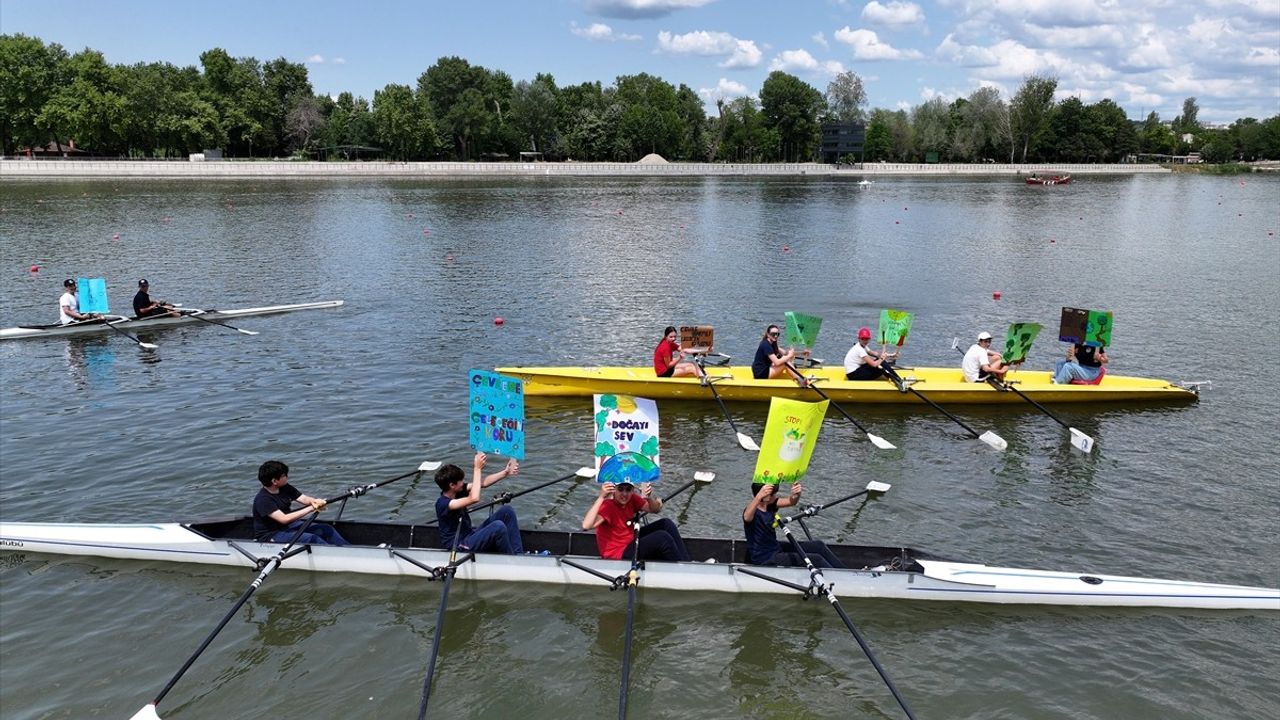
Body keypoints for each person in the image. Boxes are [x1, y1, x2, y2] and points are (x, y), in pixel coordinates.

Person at [434, 452, 526, 554]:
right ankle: (509, 560)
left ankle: (518, 555)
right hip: (459, 545)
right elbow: (474, 498)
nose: (463, 482)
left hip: (469, 535)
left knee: (507, 511)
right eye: (461, 480)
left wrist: (505, 472)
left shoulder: (457, 491)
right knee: (498, 526)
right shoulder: (443, 504)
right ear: (452, 485)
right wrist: (477, 468)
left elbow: (483, 483)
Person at [582, 480, 690, 562]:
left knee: (666, 524)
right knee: (662, 537)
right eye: (620, 489)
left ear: (632, 490)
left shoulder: (632, 498)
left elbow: (655, 509)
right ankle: (682, 570)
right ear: (614, 490)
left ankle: (686, 562)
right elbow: (586, 525)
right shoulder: (607, 506)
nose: (624, 494)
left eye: (628, 489)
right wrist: (601, 497)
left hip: (631, 541)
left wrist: (648, 497)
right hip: (617, 553)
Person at [743, 482, 844, 568]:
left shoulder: (770, 504)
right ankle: (841, 579)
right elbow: (746, 517)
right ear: (764, 497)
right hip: (764, 558)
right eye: (773, 494)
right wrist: (758, 496)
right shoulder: (752, 512)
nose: (776, 496)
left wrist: (796, 494)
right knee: (816, 559)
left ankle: (845, 571)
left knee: (818, 546)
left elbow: (791, 501)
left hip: (775, 548)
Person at [252, 460, 350, 546]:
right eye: (284, 475)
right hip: (271, 535)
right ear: (274, 481)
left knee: (326, 529)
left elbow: (303, 498)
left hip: (288, 526)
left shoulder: (285, 487)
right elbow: (284, 519)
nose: (287, 477)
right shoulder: (263, 500)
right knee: (310, 538)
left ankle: (348, 550)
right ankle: (334, 556)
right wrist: (311, 508)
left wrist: (315, 501)